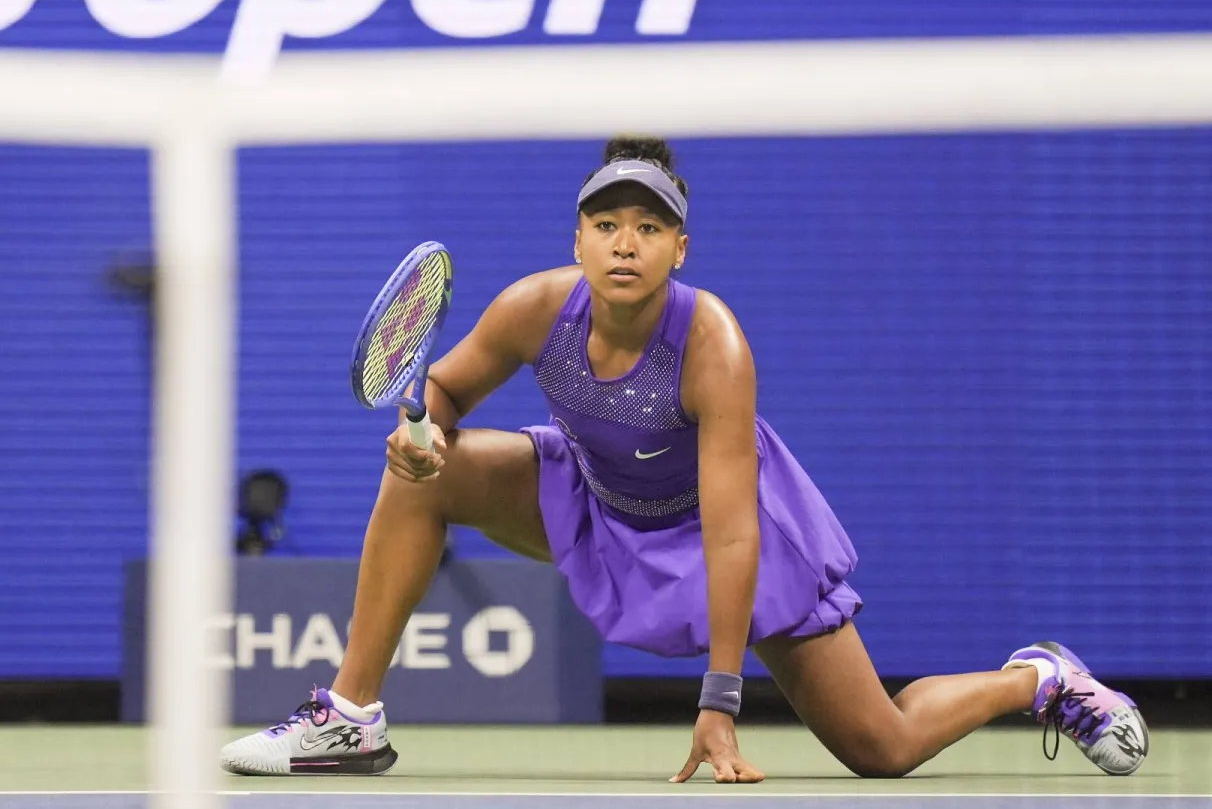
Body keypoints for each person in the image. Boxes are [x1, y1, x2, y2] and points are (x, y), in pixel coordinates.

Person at [220, 136, 1149, 782]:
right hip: (596, 501)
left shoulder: (713, 346)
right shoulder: (535, 308)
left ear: (679, 246)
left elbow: (735, 535)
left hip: (723, 532)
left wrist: (721, 701)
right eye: (607, 224)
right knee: (423, 480)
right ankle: (350, 716)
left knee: (883, 747)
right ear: (577, 239)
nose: (626, 242)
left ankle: (1040, 678)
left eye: (648, 226)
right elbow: (451, 394)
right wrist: (426, 435)